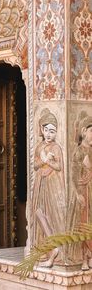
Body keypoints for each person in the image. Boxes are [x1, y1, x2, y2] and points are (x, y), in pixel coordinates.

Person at [32, 109, 66, 267]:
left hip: (52, 186)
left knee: (51, 215)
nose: (49, 134)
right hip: (41, 183)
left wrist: (49, 161)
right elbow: (35, 165)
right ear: (41, 130)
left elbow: (59, 167)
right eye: (46, 130)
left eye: (52, 131)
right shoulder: (39, 146)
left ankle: (54, 251)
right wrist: (43, 160)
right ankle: (52, 248)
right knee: (38, 212)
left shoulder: (56, 148)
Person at [71, 115, 92, 270]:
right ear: (84, 131)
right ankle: (85, 257)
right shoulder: (78, 152)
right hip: (84, 192)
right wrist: (77, 194)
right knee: (84, 224)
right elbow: (74, 176)